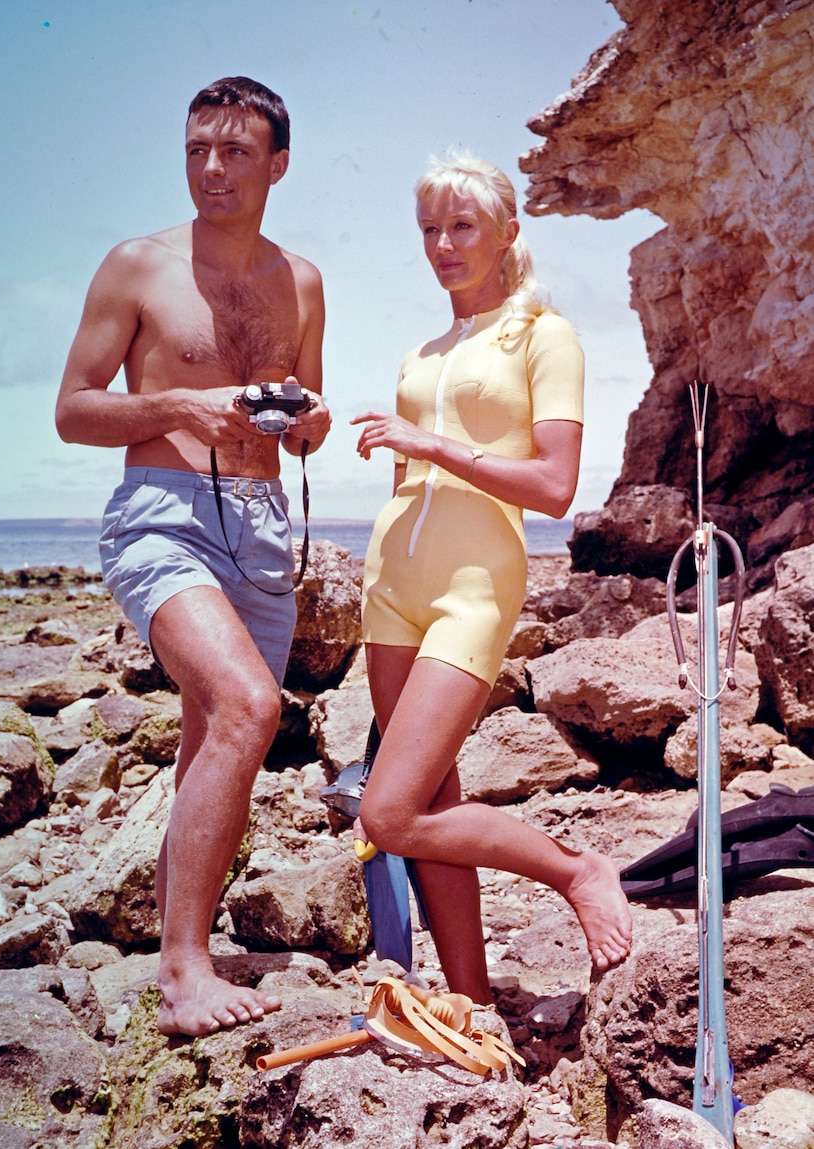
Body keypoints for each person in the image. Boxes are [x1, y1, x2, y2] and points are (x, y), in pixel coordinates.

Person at [55, 76, 331, 1037]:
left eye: (235, 152)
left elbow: (303, 418)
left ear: (277, 165)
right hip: (161, 513)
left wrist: (310, 423)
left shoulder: (301, 280)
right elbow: (72, 410)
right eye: (196, 151)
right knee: (252, 707)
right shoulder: (138, 266)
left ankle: (179, 943)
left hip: (260, 526)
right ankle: (182, 973)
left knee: (211, 735)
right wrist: (175, 406)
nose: (212, 170)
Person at [351, 155, 631, 1012]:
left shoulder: (546, 335)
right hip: (390, 579)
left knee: (386, 814)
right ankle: (472, 1005)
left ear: (508, 233)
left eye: (461, 226)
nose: (442, 244)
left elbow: (554, 487)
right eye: (429, 229)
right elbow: (411, 484)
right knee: (431, 796)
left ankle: (577, 869)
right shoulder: (424, 350)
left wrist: (431, 445)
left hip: (476, 585)